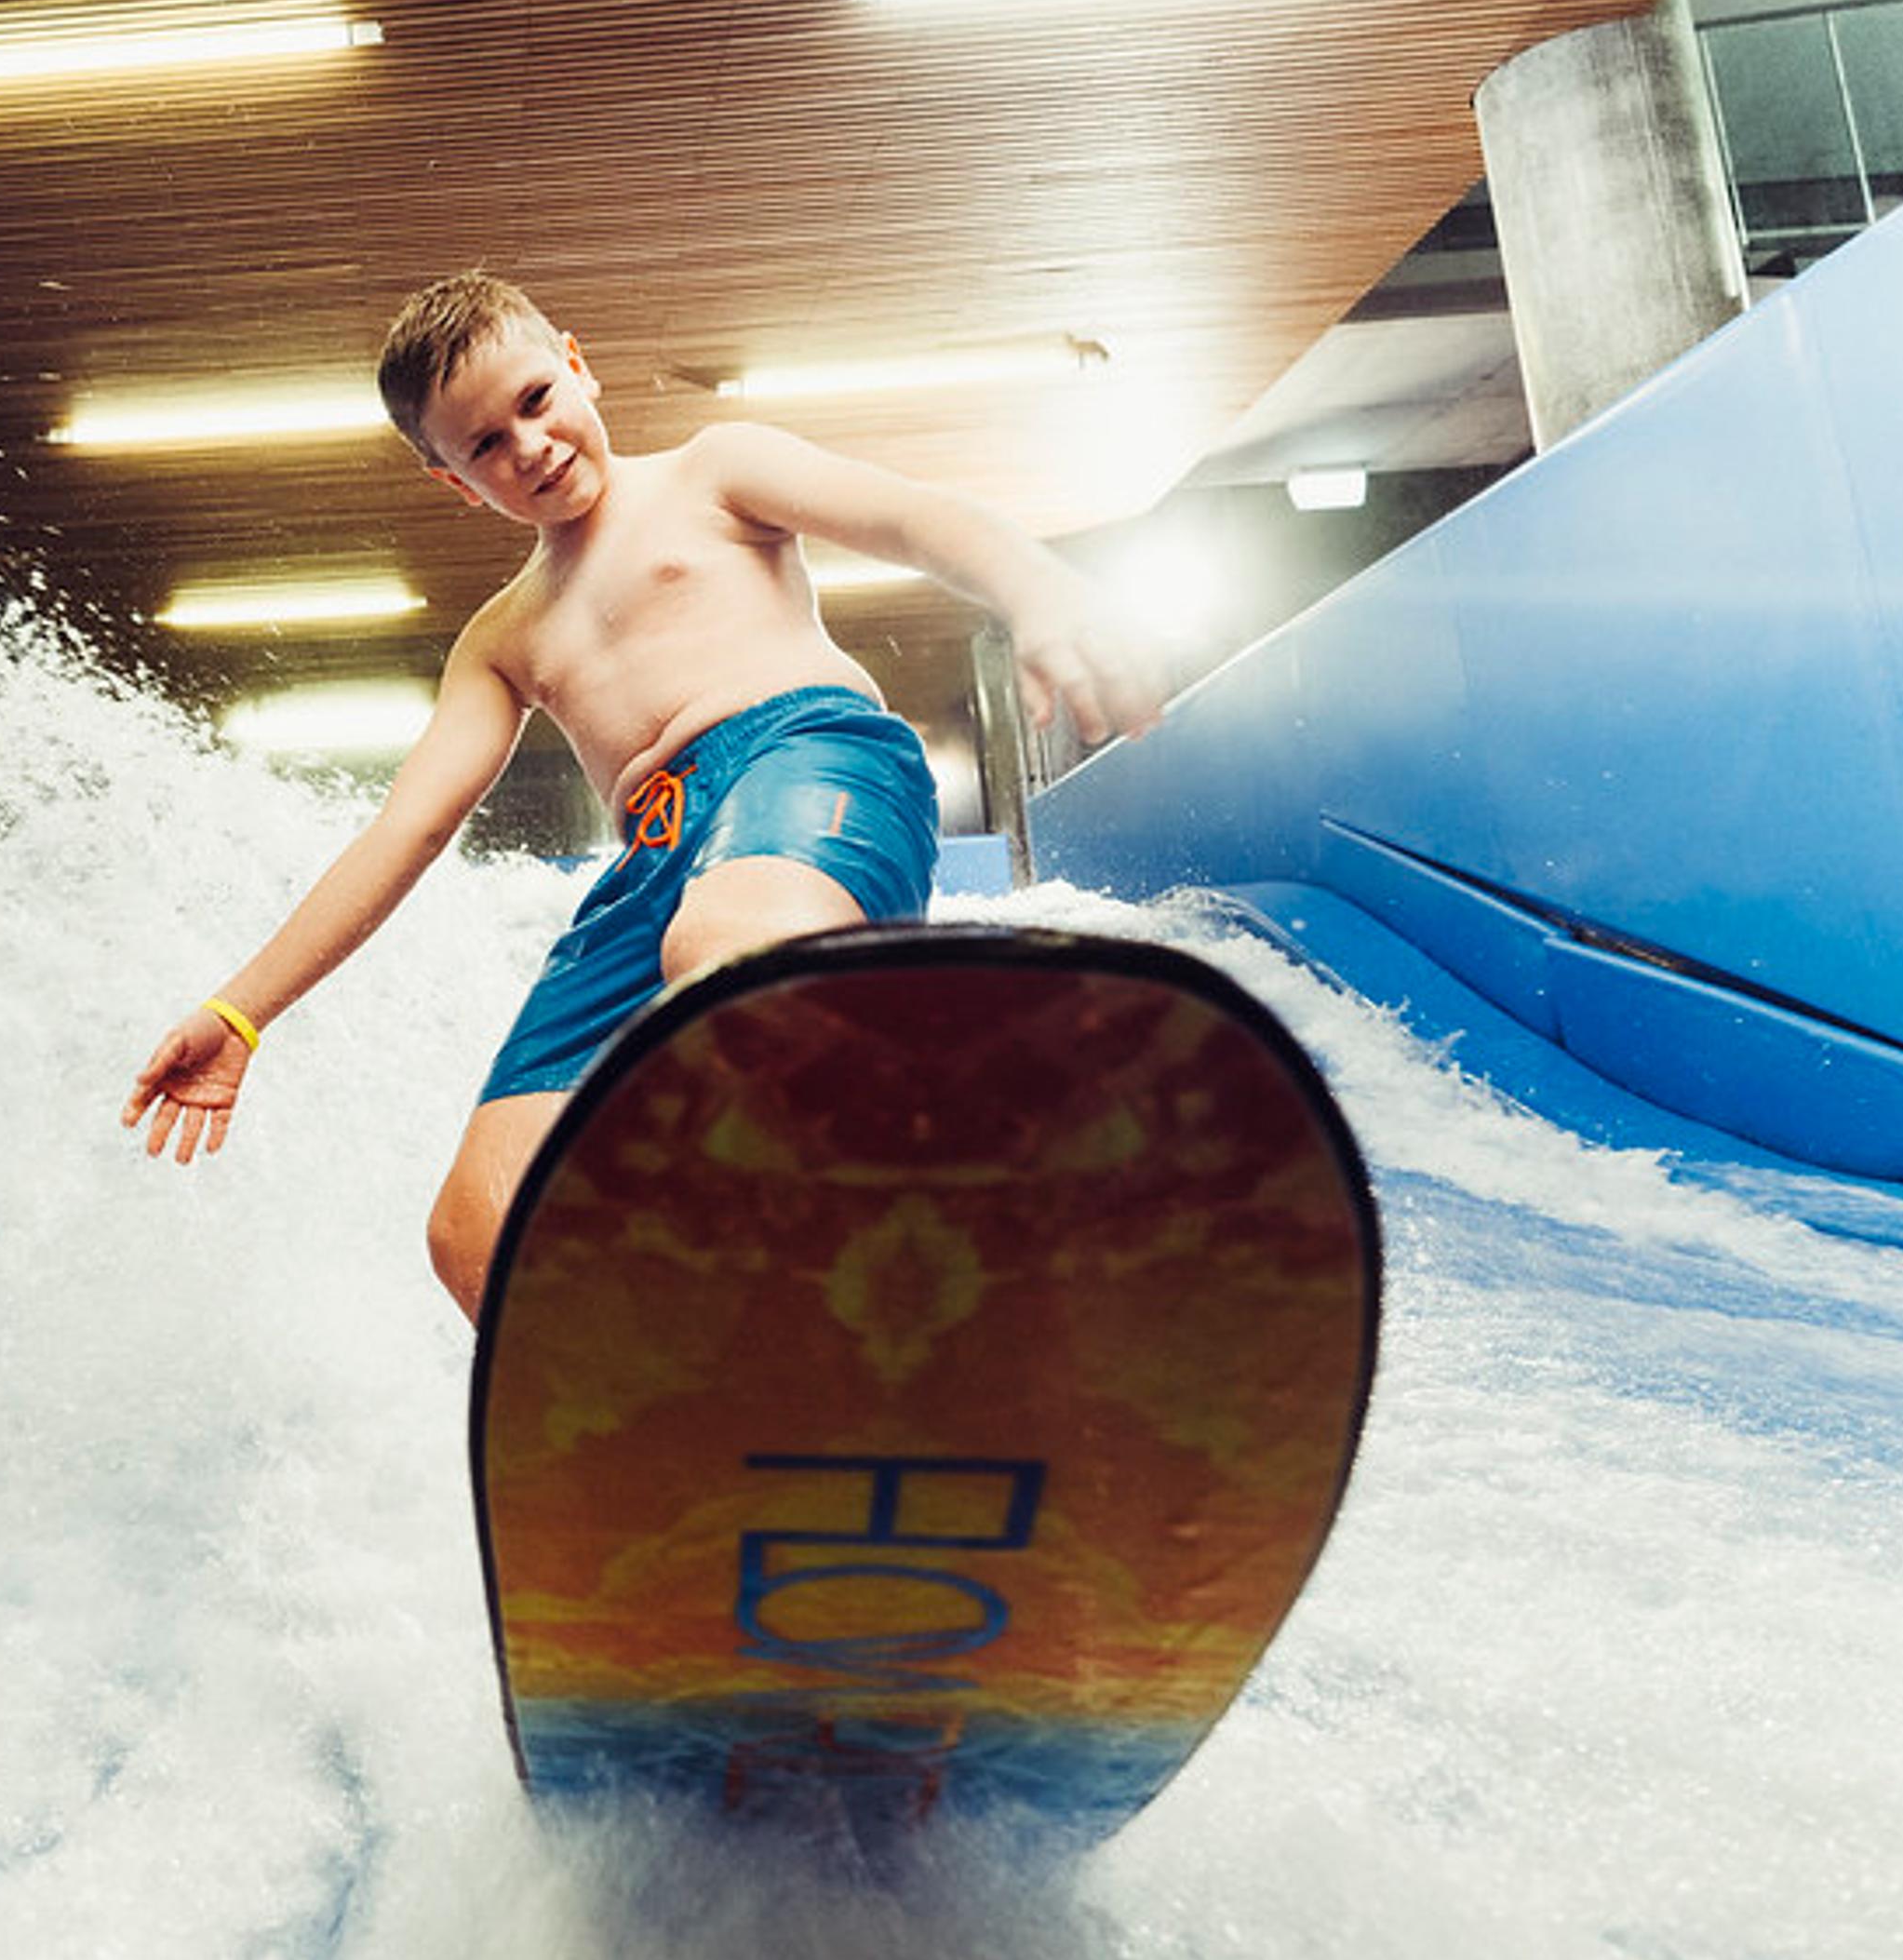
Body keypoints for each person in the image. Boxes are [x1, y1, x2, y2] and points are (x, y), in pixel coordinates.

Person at [122, 270, 1173, 1321]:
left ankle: (973, 1207)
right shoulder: (502, 637)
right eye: (484, 445)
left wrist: (1036, 591)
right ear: (454, 482)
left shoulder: (714, 473)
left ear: (576, 365)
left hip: (806, 761)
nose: (527, 446)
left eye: (534, 401)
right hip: (651, 861)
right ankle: (702, 1414)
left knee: (721, 957)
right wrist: (243, 1011)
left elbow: (906, 518)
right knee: (480, 1227)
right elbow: (408, 826)